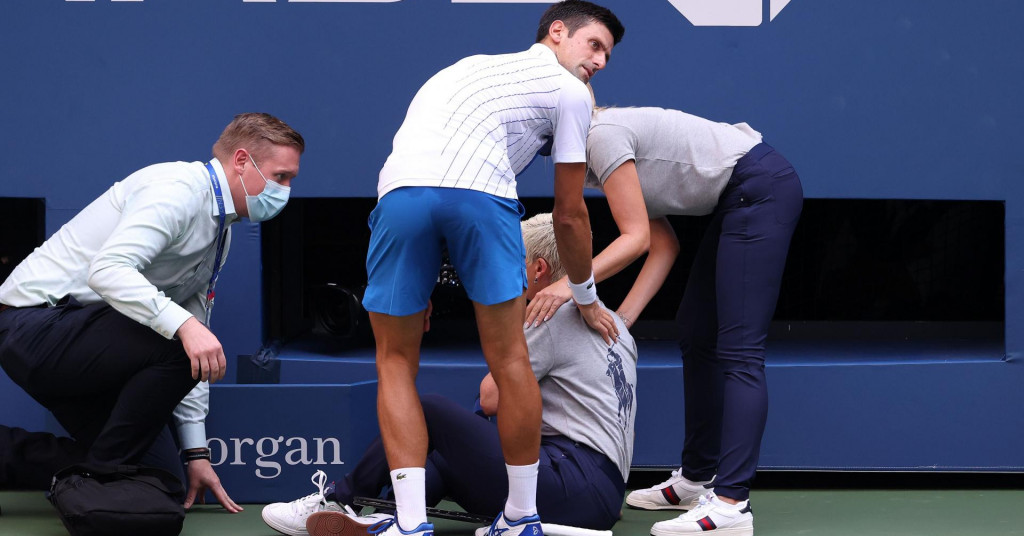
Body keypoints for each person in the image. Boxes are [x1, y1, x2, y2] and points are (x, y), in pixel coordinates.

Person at [358, 3, 625, 536]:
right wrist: (585, 295)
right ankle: (521, 517)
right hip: (481, 200)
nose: (599, 62)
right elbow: (570, 215)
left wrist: (423, 270)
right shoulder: (571, 92)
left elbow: (430, 182)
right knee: (510, 358)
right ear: (556, 32)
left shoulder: (463, 68)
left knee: (393, 361)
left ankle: (410, 525)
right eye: (594, 45)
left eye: (606, 56)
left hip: (399, 199)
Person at [0, 112, 304, 514]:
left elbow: (197, 347)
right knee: (182, 339)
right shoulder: (176, 190)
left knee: (161, 480)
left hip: (87, 351)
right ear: (243, 161)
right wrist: (183, 325)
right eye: (280, 177)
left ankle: (20, 458)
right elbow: (107, 271)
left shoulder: (221, 231)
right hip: (33, 326)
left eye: (289, 181)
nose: (285, 190)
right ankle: (100, 475)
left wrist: (196, 451)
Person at [262, 212, 637, 536]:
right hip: (601, 495)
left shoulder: (547, 313)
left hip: (569, 482)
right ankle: (386, 514)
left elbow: (491, 398)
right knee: (441, 456)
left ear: (539, 269)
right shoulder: (616, 326)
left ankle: (337, 498)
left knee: (428, 409)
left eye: (512, 260)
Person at [525, 105, 804, 536]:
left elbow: (635, 240)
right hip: (741, 195)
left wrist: (570, 287)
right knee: (696, 329)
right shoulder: (592, 154)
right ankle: (697, 478)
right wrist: (619, 321)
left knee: (740, 350)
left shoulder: (602, 137)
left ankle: (732, 504)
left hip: (759, 187)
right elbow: (664, 243)